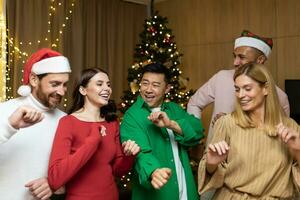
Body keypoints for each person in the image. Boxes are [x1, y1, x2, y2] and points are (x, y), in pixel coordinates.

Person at [198, 63, 300, 199]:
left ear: (266, 89)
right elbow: (209, 171)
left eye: (247, 88)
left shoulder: (291, 127)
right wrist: (211, 163)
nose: (241, 95)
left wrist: (298, 152)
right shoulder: (227, 123)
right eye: (237, 89)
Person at [47, 67, 140, 200]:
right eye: (99, 84)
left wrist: (128, 155)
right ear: (83, 90)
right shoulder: (68, 122)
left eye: (108, 84)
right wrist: (92, 142)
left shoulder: (112, 123)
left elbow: (118, 171)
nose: (107, 88)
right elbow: (55, 179)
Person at [187, 30, 290, 143]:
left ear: (260, 60)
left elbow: (281, 139)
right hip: (215, 153)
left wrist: (229, 122)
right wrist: (194, 132)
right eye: (235, 56)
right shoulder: (221, 78)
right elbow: (194, 103)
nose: (235, 62)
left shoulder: (279, 96)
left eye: (241, 57)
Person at [120, 63, 204, 200]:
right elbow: (140, 153)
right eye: (145, 83)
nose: (148, 89)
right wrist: (154, 171)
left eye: (155, 85)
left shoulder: (174, 109)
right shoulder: (132, 116)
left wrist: (171, 124)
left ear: (167, 88)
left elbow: (197, 130)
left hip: (185, 193)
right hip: (156, 194)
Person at [0, 48, 71, 199]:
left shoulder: (66, 121)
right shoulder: (4, 111)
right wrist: (9, 127)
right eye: (55, 84)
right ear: (33, 80)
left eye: (65, 85)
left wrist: (54, 183)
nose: (62, 91)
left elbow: (73, 169)